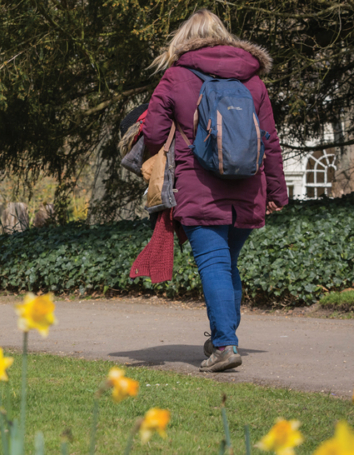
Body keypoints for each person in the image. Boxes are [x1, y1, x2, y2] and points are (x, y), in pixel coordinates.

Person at [142, 10, 287, 372]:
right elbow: (270, 141)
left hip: (199, 186)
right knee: (226, 262)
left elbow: (155, 134)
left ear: (184, 38)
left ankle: (224, 345)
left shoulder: (176, 76)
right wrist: (277, 193)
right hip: (249, 188)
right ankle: (225, 337)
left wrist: (151, 160)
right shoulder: (253, 80)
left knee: (215, 263)